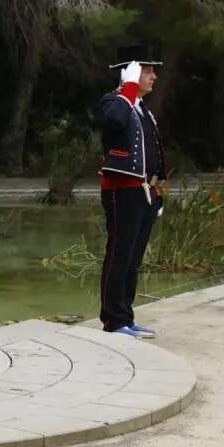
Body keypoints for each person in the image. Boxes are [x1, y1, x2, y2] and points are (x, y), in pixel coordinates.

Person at [95, 43, 168, 338]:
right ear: (132, 72)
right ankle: (113, 321)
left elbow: (155, 154)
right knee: (119, 255)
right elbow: (113, 123)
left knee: (134, 258)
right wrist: (127, 87)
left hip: (144, 193)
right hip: (122, 191)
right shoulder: (113, 102)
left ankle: (126, 315)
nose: (154, 77)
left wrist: (158, 192)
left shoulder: (142, 110)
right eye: (148, 71)